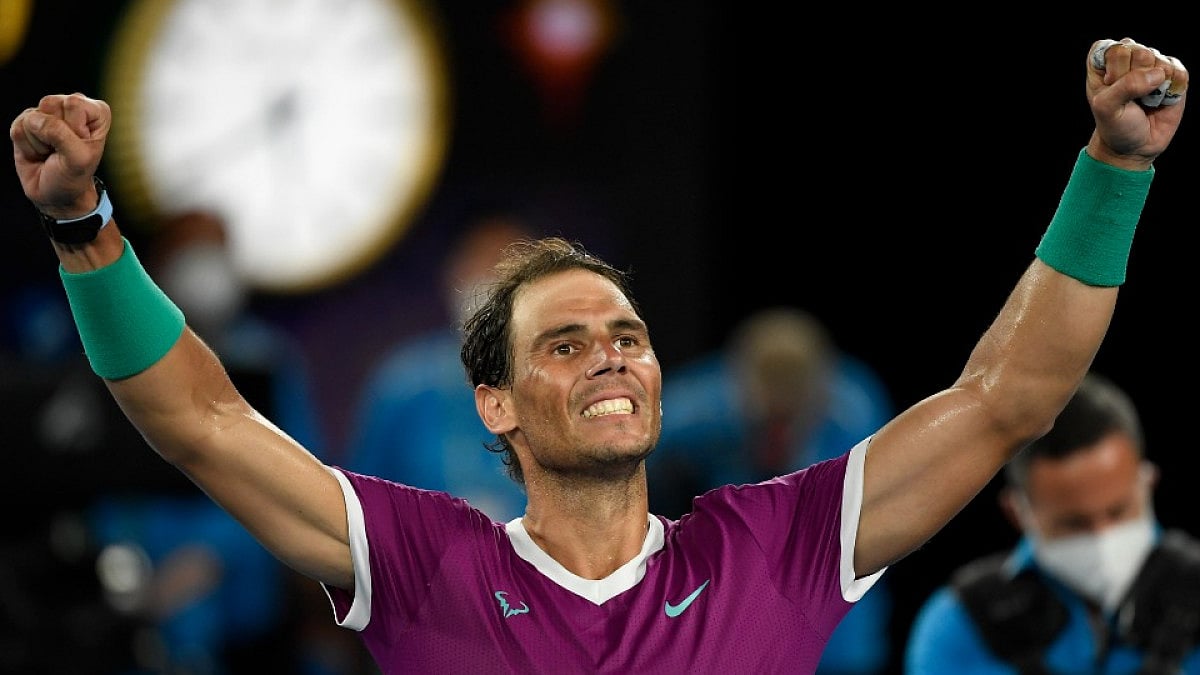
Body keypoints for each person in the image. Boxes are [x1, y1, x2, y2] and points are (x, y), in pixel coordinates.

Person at [8, 36, 1188, 672]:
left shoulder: (774, 550)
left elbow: (1010, 396)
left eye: (627, 336)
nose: (613, 357)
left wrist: (1115, 169)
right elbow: (199, 422)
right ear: (497, 406)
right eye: (564, 346)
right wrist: (82, 227)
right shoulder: (426, 563)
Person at [648, 306, 896, 673]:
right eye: (767, 414)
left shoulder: (856, 413)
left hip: (833, 622)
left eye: (791, 415)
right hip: (728, 615)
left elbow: (880, 514)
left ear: (820, 391)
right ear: (738, 385)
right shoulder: (688, 412)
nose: (778, 430)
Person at [904, 372, 1200, 674]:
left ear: (1147, 482)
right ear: (1017, 512)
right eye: (1074, 524)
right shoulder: (961, 625)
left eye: (1118, 512)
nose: (1102, 537)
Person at [342, 214, 535, 522]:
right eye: (484, 261)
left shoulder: (558, 382)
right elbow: (361, 506)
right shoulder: (403, 383)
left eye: (514, 266)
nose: (496, 278)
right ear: (453, 274)